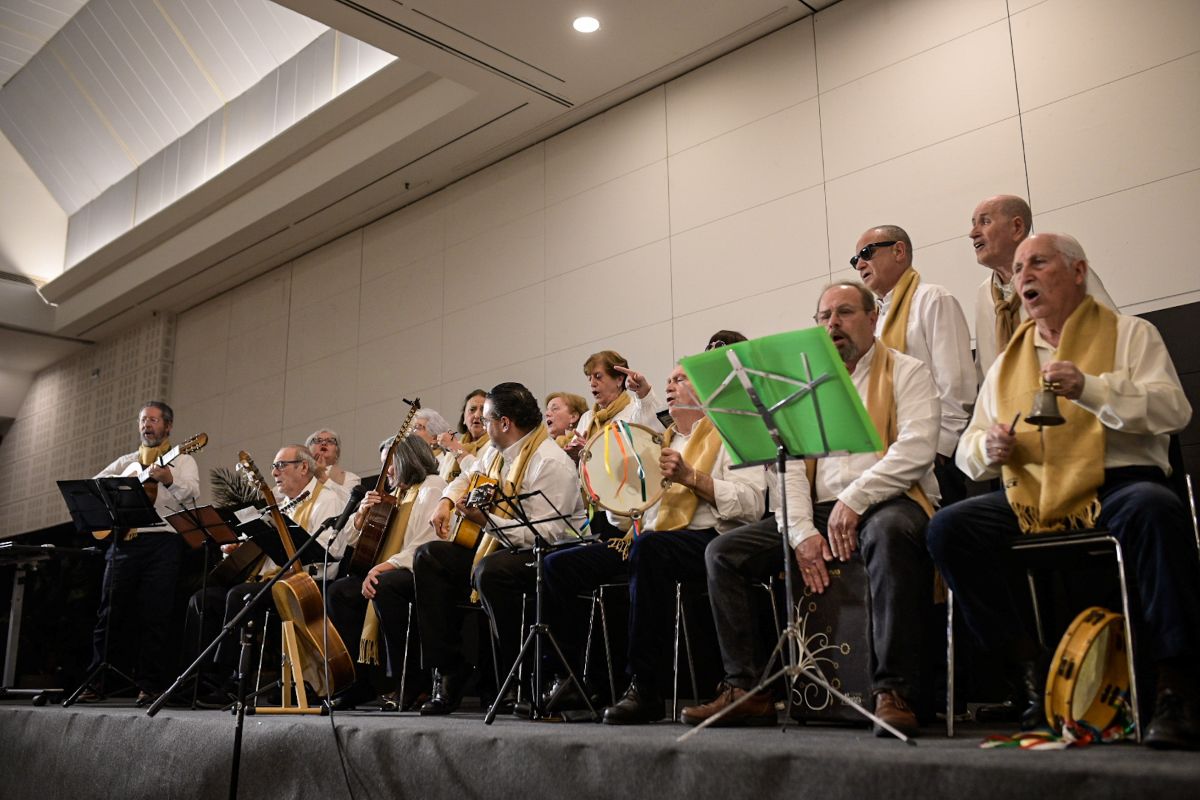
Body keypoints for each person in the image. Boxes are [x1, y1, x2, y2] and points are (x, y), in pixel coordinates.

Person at [927, 233, 1200, 749]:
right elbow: (968, 450)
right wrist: (990, 448)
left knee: (1155, 507)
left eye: (1039, 263)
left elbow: (1174, 411)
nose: (1023, 275)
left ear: (1078, 272)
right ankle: (1031, 675)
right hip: (1032, 494)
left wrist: (1089, 388)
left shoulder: (1130, 335)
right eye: (1018, 269)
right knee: (949, 528)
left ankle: (1176, 688)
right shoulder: (1007, 361)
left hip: (1116, 485)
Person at [682, 283, 941, 735]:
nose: (833, 324)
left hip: (891, 499)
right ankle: (748, 688)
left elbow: (916, 450)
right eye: (824, 317)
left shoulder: (906, 370)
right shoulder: (800, 386)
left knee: (888, 534)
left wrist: (854, 500)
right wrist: (801, 532)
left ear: (873, 318)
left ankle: (893, 690)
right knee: (723, 553)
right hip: (821, 508)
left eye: (845, 313)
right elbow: (787, 468)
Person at [541, 363, 766, 723]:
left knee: (650, 550)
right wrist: (609, 494)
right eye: (668, 380)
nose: (670, 386)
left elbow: (752, 505)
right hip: (649, 540)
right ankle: (572, 680)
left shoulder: (731, 434)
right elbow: (631, 516)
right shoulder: (662, 441)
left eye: (680, 379)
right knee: (558, 565)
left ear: (705, 391)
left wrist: (692, 477)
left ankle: (645, 687)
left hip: (708, 538)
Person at [414, 382, 586, 715]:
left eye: (487, 419)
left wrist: (486, 521)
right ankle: (450, 669)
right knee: (430, 557)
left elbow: (546, 534)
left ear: (504, 423)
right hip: (500, 542)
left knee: (491, 570)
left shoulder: (550, 461)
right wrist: (446, 501)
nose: (480, 425)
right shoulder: (495, 451)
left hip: (548, 553)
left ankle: (514, 678)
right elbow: (467, 476)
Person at [188, 444, 346, 705]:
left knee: (240, 595)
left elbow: (330, 554)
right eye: (273, 467)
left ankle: (233, 683)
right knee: (204, 599)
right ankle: (199, 680)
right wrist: (237, 550)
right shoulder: (280, 506)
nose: (274, 473)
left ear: (303, 467)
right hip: (267, 580)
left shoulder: (327, 500)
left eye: (280, 465)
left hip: (306, 584)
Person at [82, 401, 200, 704]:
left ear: (168, 426)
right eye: (143, 420)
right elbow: (94, 488)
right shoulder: (127, 461)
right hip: (124, 542)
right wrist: (120, 489)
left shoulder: (183, 459)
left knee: (155, 614)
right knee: (108, 614)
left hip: (163, 541)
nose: (147, 425)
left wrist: (168, 478)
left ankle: (150, 685)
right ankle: (97, 681)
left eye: (154, 420)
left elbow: (192, 492)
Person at [851, 225, 975, 505]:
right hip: (885, 460)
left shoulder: (932, 298)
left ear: (899, 251)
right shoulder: (873, 320)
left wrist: (939, 448)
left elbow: (956, 382)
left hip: (932, 455)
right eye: (855, 259)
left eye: (866, 253)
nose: (859, 265)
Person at [324, 435, 447, 710]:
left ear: (409, 460)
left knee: (385, 585)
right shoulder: (396, 495)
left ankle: (409, 679)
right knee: (339, 592)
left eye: (390, 463)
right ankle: (360, 682)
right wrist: (361, 515)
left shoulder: (432, 486)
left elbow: (425, 543)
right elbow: (350, 543)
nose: (386, 471)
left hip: (419, 569)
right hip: (388, 568)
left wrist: (383, 566)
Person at [968, 195, 1115, 379]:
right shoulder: (984, 294)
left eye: (985, 222)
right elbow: (985, 367)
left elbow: (1111, 333)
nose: (973, 233)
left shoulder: (1063, 272)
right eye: (973, 224)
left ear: (1017, 227)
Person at [436, 389, 489, 482]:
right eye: (472, 410)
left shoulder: (494, 446)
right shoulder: (451, 453)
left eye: (483, 410)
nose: (477, 415)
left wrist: (454, 447)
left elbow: (481, 476)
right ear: (463, 418)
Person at [306, 429, 361, 500]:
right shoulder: (297, 476)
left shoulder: (350, 478)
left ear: (337, 453)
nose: (324, 443)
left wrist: (324, 478)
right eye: (318, 441)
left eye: (330, 441)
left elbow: (350, 501)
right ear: (308, 451)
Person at [408, 408, 455, 474]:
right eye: (412, 428)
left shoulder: (447, 463)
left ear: (434, 438)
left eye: (417, 427)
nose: (412, 432)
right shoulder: (412, 463)